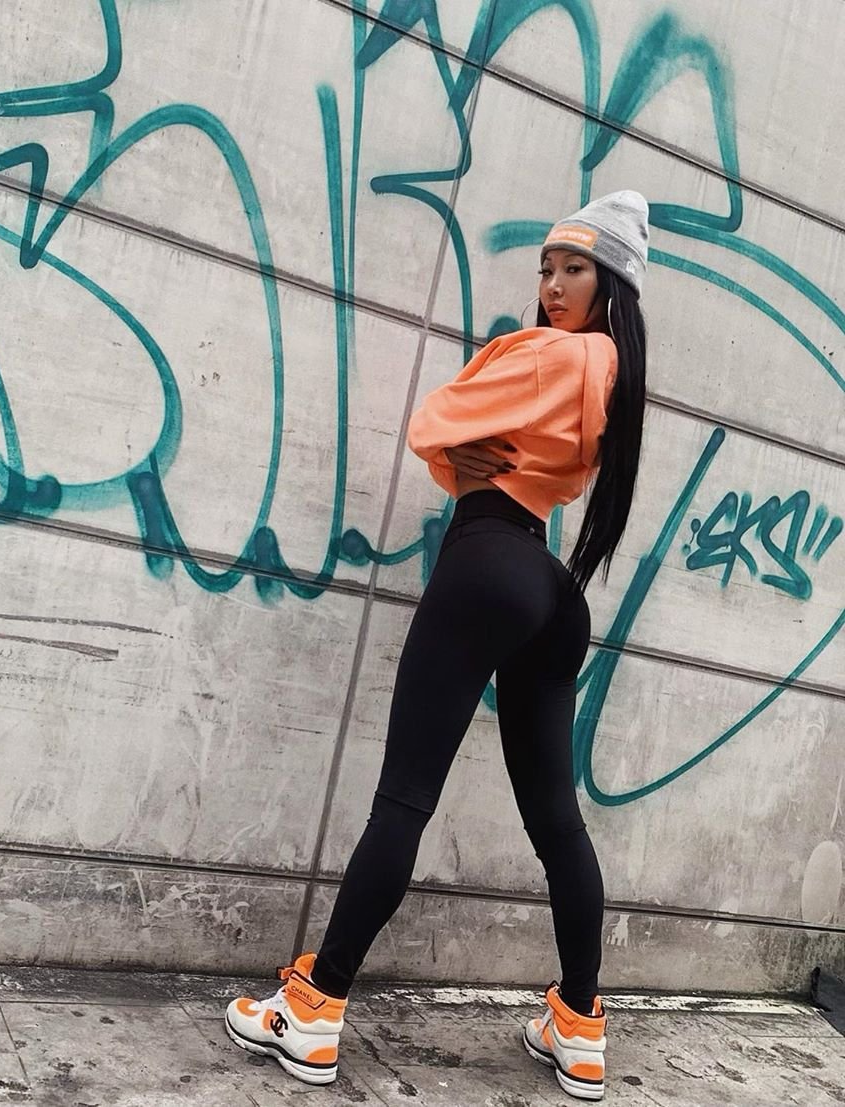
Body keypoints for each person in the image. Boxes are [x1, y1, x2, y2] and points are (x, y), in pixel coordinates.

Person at [225, 190, 650, 1102]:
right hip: (552, 589)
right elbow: (523, 461)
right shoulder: (617, 378)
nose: (553, 284)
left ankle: (315, 1006)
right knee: (559, 822)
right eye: (546, 267)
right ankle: (580, 1024)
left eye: (574, 268)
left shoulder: (546, 352)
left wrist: (458, 458)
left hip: (488, 561)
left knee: (405, 799)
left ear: (611, 282)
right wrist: (476, 459)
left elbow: (432, 421)